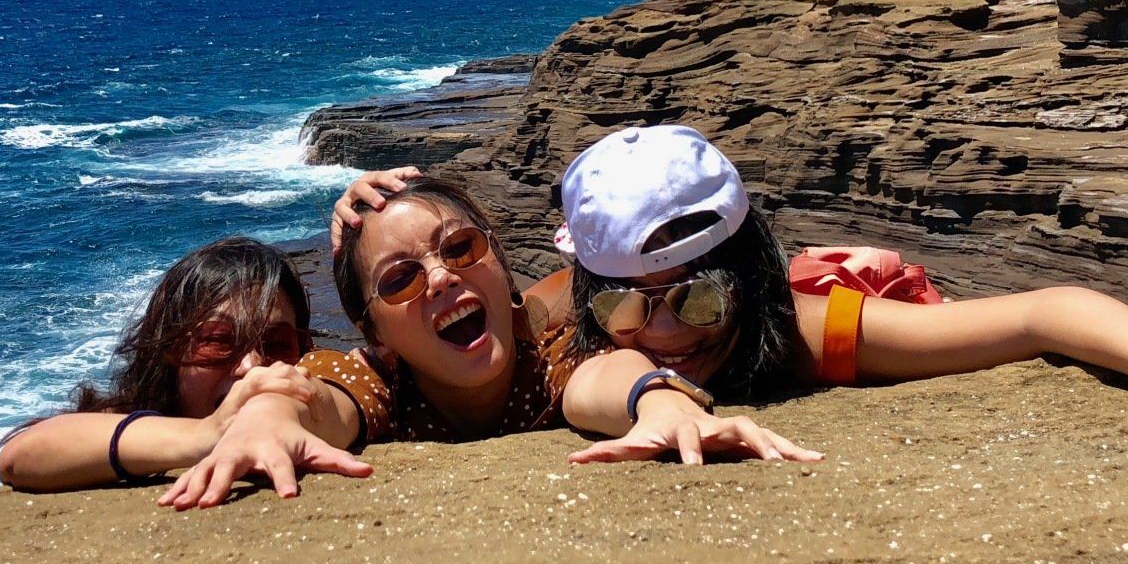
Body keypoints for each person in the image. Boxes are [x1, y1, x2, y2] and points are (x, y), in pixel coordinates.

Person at [545, 125, 1128, 465]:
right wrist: (660, 402)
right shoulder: (580, 332)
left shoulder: (801, 326)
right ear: (590, 299)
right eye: (625, 306)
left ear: (752, 282)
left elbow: (1038, 313)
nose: (664, 332)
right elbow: (587, 377)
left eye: (697, 301)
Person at [159, 175, 811, 508]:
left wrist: (660, 404)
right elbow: (314, 398)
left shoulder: (545, 354)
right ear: (370, 327)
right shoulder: (375, 380)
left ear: (500, 262)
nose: (442, 278)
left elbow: (599, 376)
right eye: (402, 279)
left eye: (461, 249)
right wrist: (268, 417)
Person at [0, 236, 337, 492]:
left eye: (278, 344)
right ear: (170, 347)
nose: (251, 366)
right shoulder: (130, 421)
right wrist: (208, 434)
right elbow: (18, 457)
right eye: (217, 340)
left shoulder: (306, 395)